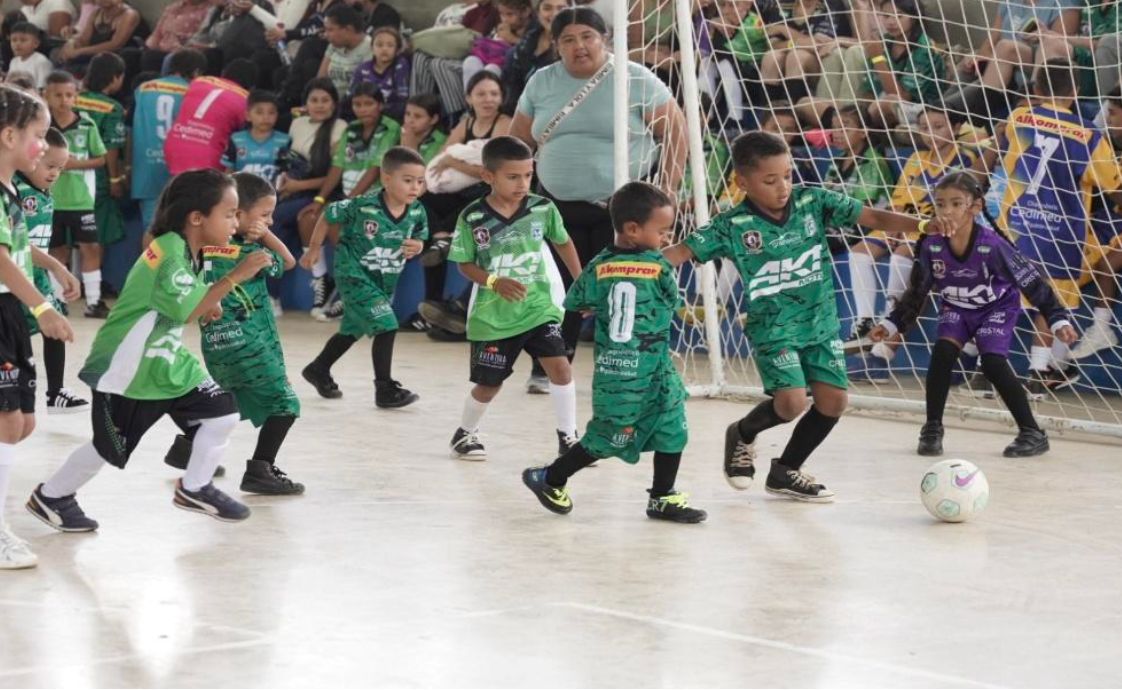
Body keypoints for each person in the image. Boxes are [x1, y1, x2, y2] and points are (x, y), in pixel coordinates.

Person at [662, 131, 947, 501]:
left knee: (834, 402)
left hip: (820, 323)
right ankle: (743, 433)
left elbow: (872, 215)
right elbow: (680, 252)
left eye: (787, 176)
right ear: (742, 182)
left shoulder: (813, 200)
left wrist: (922, 225)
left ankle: (786, 470)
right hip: (774, 328)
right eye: (770, 180)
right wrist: (632, 266)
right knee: (792, 403)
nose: (783, 187)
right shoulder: (731, 225)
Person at [26, 169, 274, 532]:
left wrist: (211, 300)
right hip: (129, 367)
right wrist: (235, 277)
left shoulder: (188, 248)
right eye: (229, 214)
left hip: (166, 359)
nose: (235, 223)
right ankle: (52, 496)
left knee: (222, 413)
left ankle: (195, 487)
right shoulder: (169, 252)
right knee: (108, 448)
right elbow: (187, 309)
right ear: (197, 218)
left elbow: (190, 301)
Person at [510, 6, 687, 380]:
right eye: (568, 40)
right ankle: (550, 366)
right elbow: (519, 141)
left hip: (622, 209)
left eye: (587, 36)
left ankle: (630, 367)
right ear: (556, 45)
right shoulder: (541, 82)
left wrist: (667, 188)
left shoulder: (635, 77)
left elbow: (675, 130)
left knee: (622, 286)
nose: (579, 46)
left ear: (604, 39)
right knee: (559, 287)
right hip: (557, 204)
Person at [521, 181, 707, 523]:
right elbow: (670, 300)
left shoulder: (599, 264)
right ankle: (549, 477)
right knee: (610, 436)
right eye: (662, 231)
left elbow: (577, 301)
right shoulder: (659, 266)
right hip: (636, 369)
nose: (666, 238)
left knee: (670, 426)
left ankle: (663, 497)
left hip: (628, 367)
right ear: (633, 229)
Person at [869, 172, 1077, 457]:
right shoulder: (930, 244)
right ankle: (932, 429)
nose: (947, 211)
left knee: (992, 363)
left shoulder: (993, 245)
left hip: (996, 308)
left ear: (975, 207)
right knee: (942, 353)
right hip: (956, 307)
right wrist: (891, 323)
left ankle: (1032, 432)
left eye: (956, 203)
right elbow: (918, 291)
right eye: (940, 204)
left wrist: (1057, 318)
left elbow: (1033, 283)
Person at [978, 59, 1120, 398]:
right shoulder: (1090, 136)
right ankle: (1039, 373)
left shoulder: (1019, 118)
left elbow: (1003, 142)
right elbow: (1113, 186)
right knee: (1051, 302)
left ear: (1037, 89)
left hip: (1016, 226)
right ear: (1076, 91)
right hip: (1062, 233)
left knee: (999, 296)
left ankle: (986, 372)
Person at [167, 171, 304, 495]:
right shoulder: (249, 252)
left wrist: (260, 230)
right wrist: (265, 237)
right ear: (238, 215)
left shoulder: (201, 248)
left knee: (232, 399)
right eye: (265, 215)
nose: (269, 222)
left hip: (217, 343)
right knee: (285, 403)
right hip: (251, 343)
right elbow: (288, 261)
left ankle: (189, 447)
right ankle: (261, 469)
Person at [445, 136, 583, 460]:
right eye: (513, 177)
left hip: (538, 307)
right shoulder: (473, 217)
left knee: (561, 369)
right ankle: (464, 434)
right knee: (489, 385)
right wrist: (494, 281)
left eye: (528, 175)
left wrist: (581, 282)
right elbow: (464, 264)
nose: (522, 183)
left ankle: (569, 438)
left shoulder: (542, 208)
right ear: (488, 176)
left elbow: (563, 241)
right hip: (494, 316)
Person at [0, 86, 79, 569]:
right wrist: (43, 308)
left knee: (23, 423)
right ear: (9, 136)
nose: (44, 146)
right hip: (5, 307)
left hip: (10, 310)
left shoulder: (11, 188)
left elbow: (17, 245)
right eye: (39, 134)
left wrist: (55, 266)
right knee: (7, 422)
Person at [299, 147, 427, 407]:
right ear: (386, 178)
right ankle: (385, 389)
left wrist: (419, 245)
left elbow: (420, 235)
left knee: (352, 329)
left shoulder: (417, 211)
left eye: (420, 181)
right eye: (408, 180)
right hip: (353, 275)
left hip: (383, 281)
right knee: (387, 325)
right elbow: (328, 214)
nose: (415, 187)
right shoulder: (363, 205)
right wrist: (314, 249)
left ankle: (318, 368)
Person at [846, 105, 976, 359]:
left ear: (956, 127)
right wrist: (895, 224)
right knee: (858, 253)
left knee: (902, 255)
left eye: (938, 127)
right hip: (907, 222)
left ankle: (888, 323)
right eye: (925, 128)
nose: (931, 134)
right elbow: (898, 199)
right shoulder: (917, 158)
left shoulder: (966, 159)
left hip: (936, 227)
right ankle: (864, 321)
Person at [15, 127, 88, 414]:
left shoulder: (44, 193)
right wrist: (57, 266)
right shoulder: (15, 191)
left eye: (61, 167)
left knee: (55, 327)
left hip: (38, 277)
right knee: (15, 338)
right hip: (15, 278)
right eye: (50, 166)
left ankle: (56, 393)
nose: (55, 173)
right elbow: (19, 244)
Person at [273, 78, 345, 317]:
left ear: (334, 103)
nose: (320, 105)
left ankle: (326, 280)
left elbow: (335, 174)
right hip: (296, 189)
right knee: (273, 223)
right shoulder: (297, 124)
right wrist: (285, 183)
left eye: (325, 100)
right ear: (306, 103)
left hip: (326, 191)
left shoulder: (340, 127)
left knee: (283, 218)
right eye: (314, 100)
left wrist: (300, 186)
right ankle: (273, 295)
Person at [44, 70, 108, 318]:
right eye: (58, 95)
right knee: (57, 251)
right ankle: (58, 301)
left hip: (82, 201)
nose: (64, 100)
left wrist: (73, 164)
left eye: (69, 95)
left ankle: (94, 300)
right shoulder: (43, 127)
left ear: (76, 96)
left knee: (90, 247)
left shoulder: (86, 124)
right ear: (46, 96)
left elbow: (101, 158)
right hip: (51, 200)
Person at [129, 48, 206, 230]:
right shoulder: (194, 92)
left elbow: (130, 128)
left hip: (146, 168)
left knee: (151, 228)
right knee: (180, 228)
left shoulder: (143, 89)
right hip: (179, 168)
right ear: (196, 71)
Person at [1073, 89, 1122, 360]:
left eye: (1112, 113)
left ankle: (1102, 329)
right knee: (1063, 268)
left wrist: (1112, 185)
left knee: (1107, 264)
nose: (1108, 119)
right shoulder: (1106, 144)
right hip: (1107, 222)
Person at [164, 58, 256, 176]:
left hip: (175, 145)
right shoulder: (245, 100)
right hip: (209, 157)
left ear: (224, 72)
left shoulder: (199, 81)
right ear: (252, 86)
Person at [313, 82, 400, 201]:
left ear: (380, 105)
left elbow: (376, 168)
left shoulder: (390, 128)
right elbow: (338, 166)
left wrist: (348, 203)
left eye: (368, 104)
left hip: (377, 198)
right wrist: (319, 199)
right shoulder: (351, 128)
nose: (362, 110)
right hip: (348, 195)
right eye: (357, 105)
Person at [76, 52, 128, 252]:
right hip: (96, 177)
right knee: (96, 233)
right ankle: (93, 273)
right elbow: (111, 148)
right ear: (115, 77)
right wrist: (114, 179)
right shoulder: (112, 108)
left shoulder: (72, 99)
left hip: (68, 172)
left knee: (68, 234)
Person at [501, 0, 572, 113]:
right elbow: (512, 86)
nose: (554, 14)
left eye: (561, 9)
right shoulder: (528, 40)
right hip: (519, 111)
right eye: (547, 8)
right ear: (538, 12)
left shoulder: (574, 47)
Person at [224, 89, 291, 186]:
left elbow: (287, 173)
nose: (266, 117)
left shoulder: (285, 141)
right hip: (241, 192)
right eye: (259, 112)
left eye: (271, 112)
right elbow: (229, 170)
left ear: (277, 115)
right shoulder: (236, 140)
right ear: (248, 115)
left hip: (272, 193)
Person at [56, 0, 142, 75]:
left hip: (115, 59)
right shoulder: (96, 14)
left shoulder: (129, 14)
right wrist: (71, 43)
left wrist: (79, 52)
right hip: (93, 55)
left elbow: (115, 44)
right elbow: (84, 40)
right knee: (61, 56)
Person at [350, 27, 410, 122]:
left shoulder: (400, 65)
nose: (384, 49)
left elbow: (402, 98)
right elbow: (351, 94)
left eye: (390, 45)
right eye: (379, 45)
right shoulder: (362, 68)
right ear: (372, 48)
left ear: (397, 50)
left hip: (391, 115)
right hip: (362, 111)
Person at [316, 3, 370, 103]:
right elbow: (320, 81)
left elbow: (367, 89)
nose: (326, 35)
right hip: (328, 104)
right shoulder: (334, 45)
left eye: (330, 30)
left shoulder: (369, 48)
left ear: (348, 29)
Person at [7, 22, 53, 90]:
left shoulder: (41, 62)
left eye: (23, 40)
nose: (17, 44)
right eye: (14, 40)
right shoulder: (13, 61)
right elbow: (8, 85)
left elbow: (43, 88)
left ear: (36, 43)